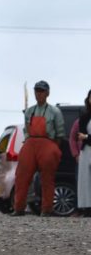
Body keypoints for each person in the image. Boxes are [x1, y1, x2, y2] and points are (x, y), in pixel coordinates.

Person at [12, 81, 65, 217]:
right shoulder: (29, 111)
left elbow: (60, 134)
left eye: (41, 91)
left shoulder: (55, 111)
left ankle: (46, 209)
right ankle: (19, 208)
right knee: (21, 176)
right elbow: (26, 130)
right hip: (30, 142)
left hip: (48, 142)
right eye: (37, 91)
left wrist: (53, 149)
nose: (39, 93)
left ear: (47, 93)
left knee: (47, 178)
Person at [68, 89, 91, 217]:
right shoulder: (81, 119)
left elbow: (84, 136)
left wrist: (87, 137)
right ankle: (84, 209)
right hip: (84, 153)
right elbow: (73, 137)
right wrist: (76, 154)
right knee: (83, 182)